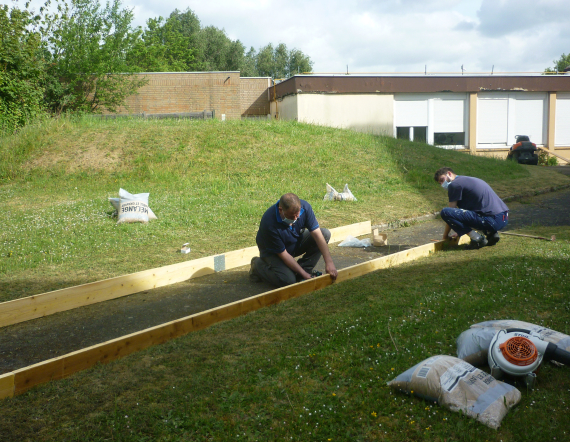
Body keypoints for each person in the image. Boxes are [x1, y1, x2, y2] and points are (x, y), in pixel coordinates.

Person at [250, 193, 338, 287]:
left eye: (297, 215)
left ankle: (303, 270)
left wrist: (329, 263)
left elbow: (317, 234)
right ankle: (257, 265)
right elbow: (283, 255)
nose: (295, 219)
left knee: (324, 234)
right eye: (292, 216)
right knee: (288, 281)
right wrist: (306, 276)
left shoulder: (305, 208)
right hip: (273, 253)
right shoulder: (269, 223)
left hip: (293, 242)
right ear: (281, 210)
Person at [434, 167, 509, 249]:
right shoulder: (466, 180)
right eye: (440, 183)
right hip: (502, 218)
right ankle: (491, 234)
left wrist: (445, 236)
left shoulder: (455, 185)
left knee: (445, 212)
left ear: (449, 174)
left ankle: (477, 239)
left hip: (491, 220)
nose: (442, 184)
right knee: (466, 212)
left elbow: (451, 212)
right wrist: (461, 231)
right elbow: (467, 215)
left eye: (442, 180)